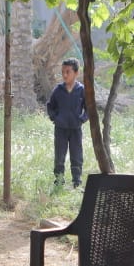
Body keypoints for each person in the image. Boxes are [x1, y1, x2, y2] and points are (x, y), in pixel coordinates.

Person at [47, 57, 87, 189]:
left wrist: (81, 119)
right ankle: (59, 180)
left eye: (68, 72)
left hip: (76, 129)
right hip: (61, 129)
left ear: (76, 73)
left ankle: (76, 181)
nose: (64, 75)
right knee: (59, 155)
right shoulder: (58, 90)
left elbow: (88, 109)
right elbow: (50, 106)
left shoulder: (82, 90)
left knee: (76, 154)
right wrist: (55, 118)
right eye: (63, 71)